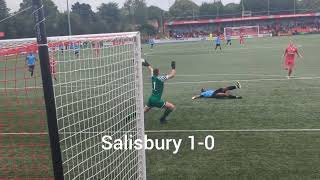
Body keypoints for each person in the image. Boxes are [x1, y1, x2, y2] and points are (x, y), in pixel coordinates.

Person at [143, 59, 176, 124]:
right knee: (171, 107)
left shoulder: (153, 77)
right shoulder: (160, 78)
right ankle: (162, 119)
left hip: (151, 99)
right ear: (158, 73)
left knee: (144, 111)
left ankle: (129, 116)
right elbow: (172, 75)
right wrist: (173, 67)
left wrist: (146, 63)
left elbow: (151, 69)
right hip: (156, 100)